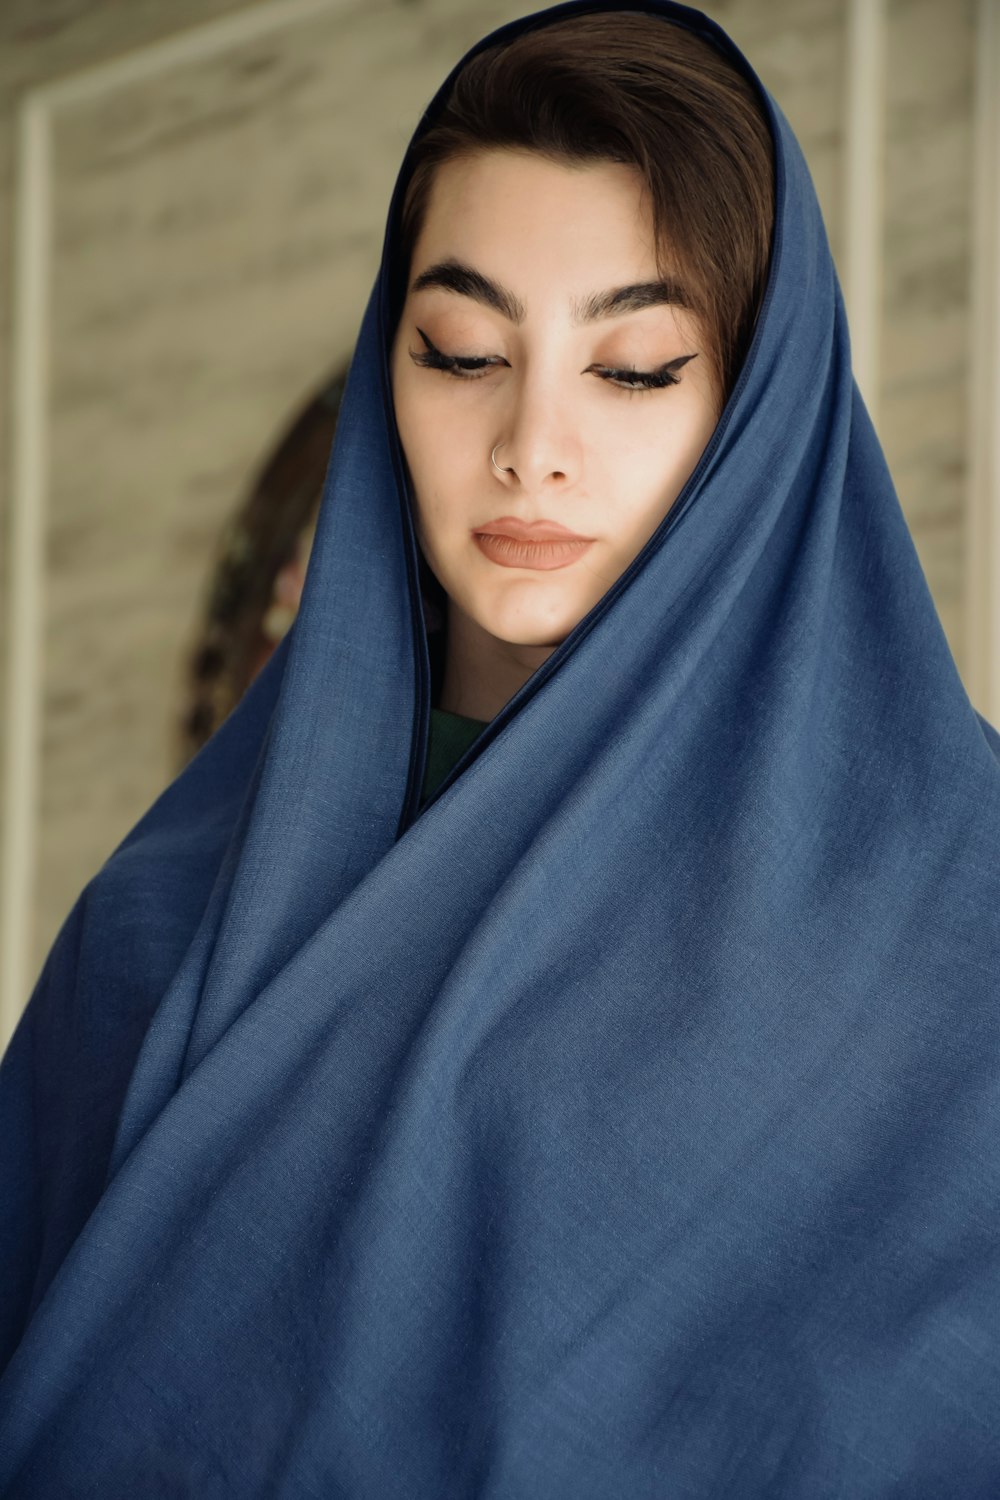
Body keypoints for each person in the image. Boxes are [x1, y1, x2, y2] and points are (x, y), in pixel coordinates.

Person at [1, 1, 998, 1494]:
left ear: (761, 413)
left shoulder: (951, 911)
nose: (533, 442)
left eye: (639, 366)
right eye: (462, 352)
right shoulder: (163, 922)